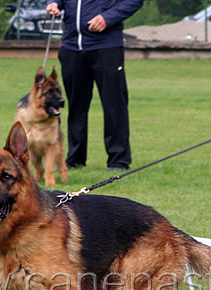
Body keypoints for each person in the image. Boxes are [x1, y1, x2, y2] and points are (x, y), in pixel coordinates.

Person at [46, 0, 144, 171]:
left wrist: (107, 18)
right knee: (75, 106)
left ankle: (118, 160)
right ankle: (75, 159)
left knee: (114, 105)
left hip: (106, 46)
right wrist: (53, 4)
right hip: (71, 46)